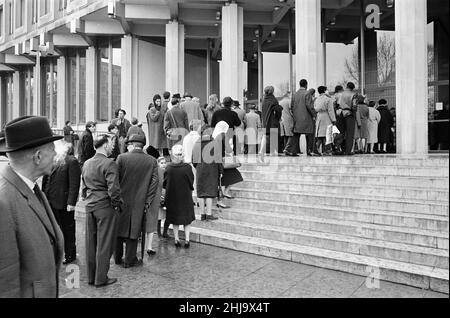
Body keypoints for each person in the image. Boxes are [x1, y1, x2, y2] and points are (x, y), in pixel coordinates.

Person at [0, 116, 64, 298]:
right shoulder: (3, 202)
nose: (55, 154)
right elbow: (5, 285)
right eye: (52, 149)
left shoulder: (32, 187)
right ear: (38, 157)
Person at [82, 134, 120, 288]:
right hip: (104, 206)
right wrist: (116, 204)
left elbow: (84, 187)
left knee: (91, 244)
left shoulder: (86, 163)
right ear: (104, 145)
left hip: (90, 205)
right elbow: (114, 189)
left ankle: (91, 277)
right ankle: (101, 279)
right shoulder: (109, 164)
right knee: (104, 244)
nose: (112, 146)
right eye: (111, 143)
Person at [115, 134, 159, 268]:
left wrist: (117, 197)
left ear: (132, 144)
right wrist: (148, 200)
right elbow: (154, 182)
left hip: (122, 199)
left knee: (119, 229)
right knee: (134, 230)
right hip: (140, 201)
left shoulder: (121, 158)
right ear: (143, 145)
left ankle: (117, 258)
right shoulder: (151, 161)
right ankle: (130, 259)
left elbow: (114, 179)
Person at [42, 141, 81, 265]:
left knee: (67, 229)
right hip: (50, 201)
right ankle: (57, 252)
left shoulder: (71, 161)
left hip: (64, 203)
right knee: (54, 228)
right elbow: (46, 179)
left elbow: (74, 184)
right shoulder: (54, 161)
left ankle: (70, 254)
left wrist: (71, 202)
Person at [164, 145, 196, 248]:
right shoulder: (187, 167)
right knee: (187, 220)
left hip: (172, 197)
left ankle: (176, 239)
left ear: (173, 155)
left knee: (174, 219)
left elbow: (165, 183)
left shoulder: (168, 168)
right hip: (185, 196)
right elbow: (191, 181)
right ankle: (187, 240)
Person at [193, 126, 223, 221]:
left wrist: (198, 167)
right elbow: (218, 158)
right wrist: (221, 171)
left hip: (200, 170)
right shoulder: (214, 143)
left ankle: (202, 214)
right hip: (212, 170)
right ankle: (209, 214)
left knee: (201, 192)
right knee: (209, 192)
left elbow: (193, 159)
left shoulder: (197, 143)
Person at [284, 79, 316, 157]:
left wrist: (294, 115)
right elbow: (309, 106)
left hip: (297, 118)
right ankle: (310, 150)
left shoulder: (295, 94)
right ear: (306, 85)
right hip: (306, 118)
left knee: (296, 134)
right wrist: (314, 115)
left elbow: (291, 106)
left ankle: (289, 149)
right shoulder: (307, 93)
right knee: (310, 133)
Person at [260, 86, 283, 160]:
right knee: (273, 135)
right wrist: (278, 117)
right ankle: (273, 152)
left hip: (265, 121)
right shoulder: (273, 99)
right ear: (272, 91)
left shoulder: (264, 100)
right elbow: (277, 109)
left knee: (265, 136)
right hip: (272, 121)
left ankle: (261, 151)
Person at [314, 86, 336, 156]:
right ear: (324, 91)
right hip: (326, 117)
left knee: (320, 135)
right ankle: (327, 150)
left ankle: (315, 149)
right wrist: (333, 120)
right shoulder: (328, 99)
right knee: (327, 135)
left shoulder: (316, 99)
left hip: (319, 116)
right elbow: (330, 110)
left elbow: (315, 108)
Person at [338, 82, 357, 155]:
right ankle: (348, 150)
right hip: (349, 114)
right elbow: (354, 106)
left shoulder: (340, 94)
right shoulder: (353, 95)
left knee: (341, 132)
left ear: (347, 86)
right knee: (350, 133)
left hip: (341, 114)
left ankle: (339, 148)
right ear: (352, 88)